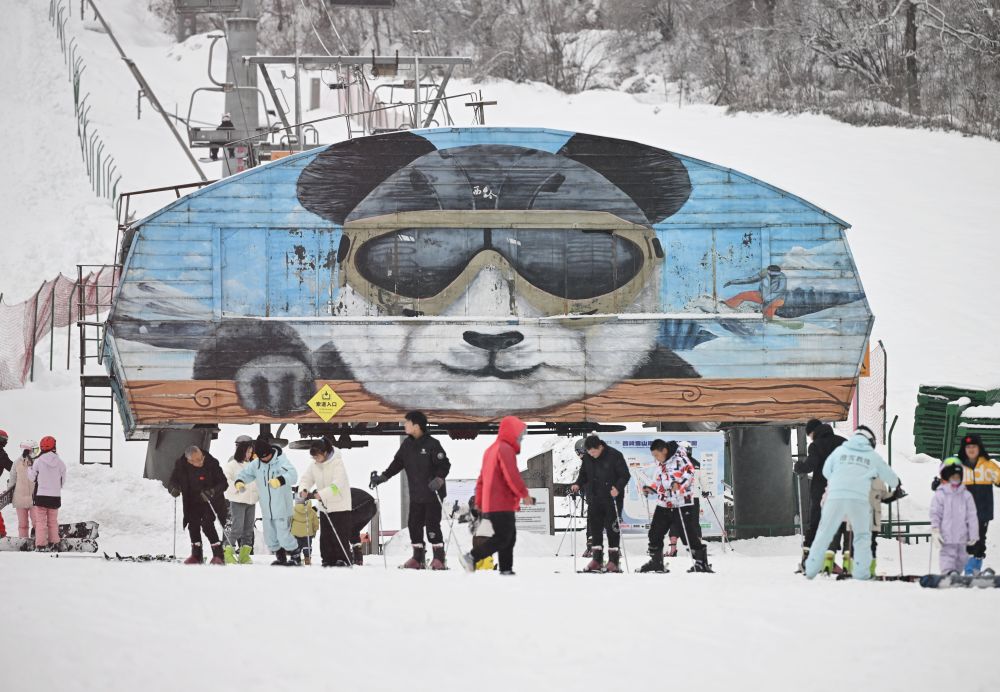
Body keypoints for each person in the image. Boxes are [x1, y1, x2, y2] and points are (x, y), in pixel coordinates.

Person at [804, 426, 900, 580]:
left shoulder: (839, 452)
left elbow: (826, 471)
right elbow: (890, 478)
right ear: (870, 441)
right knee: (861, 537)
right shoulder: (872, 456)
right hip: (858, 500)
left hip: (835, 498)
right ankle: (861, 572)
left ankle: (811, 569)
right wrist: (897, 484)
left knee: (824, 534)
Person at [370, 411, 451, 570]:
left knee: (432, 525)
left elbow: (445, 465)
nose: (404, 425)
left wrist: (439, 479)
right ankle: (418, 558)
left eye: (407, 422)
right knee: (414, 525)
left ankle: (439, 559)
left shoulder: (432, 444)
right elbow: (397, 463)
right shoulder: (407, 445)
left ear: (416, 426)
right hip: (416, 494)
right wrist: (383, 477)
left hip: (433, 493)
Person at [459, 416, 535, 574]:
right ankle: (472, 557)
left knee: (509, 537)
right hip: (502, 503)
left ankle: (506, 569)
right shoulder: (504, 449)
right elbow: (512, 475)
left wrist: (480, 502)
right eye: (520, 434)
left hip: (493, 504)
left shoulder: (491, 450)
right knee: (503, 537)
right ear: (512, 432)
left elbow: (481, 480)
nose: (521, 438)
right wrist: (524, 495)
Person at [639, 439, 713, 573]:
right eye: (653, 455)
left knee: (687, 534)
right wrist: (652, 488)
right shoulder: (661, 462)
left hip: (681, 502)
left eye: (656, 455)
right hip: (664, 503)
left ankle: (701, 562)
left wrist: (679, 484)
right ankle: (656, 561)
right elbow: (659, 480)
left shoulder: (680, 457)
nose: (655, 458)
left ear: (664, 450)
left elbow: (690, 472)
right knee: (654, 532)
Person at [236, 437, 300, 565]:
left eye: (266, 456)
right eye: (262, 457)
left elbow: (293, 475)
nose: (265, 459)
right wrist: (240, 481)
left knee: (283, 535)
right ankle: (280, 558)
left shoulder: (281, 461)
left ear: (270, 452)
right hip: (266, 508)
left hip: (282, 507)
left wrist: (281, 480)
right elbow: (246, 473)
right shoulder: (257, 464)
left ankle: (295, 557)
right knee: (270, 537)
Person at [571, 435, 630, 573]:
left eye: (593, 452)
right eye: (589, 452)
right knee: (595, 529)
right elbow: (583, 475)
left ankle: (614, 562)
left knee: (611, 529)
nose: (591, 455)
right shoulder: (587, 458)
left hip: (612, 498)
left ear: (600, 447)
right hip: (594, 498)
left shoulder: (615, 455)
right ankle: (597, 560)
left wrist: (618, 488)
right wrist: (577, 484)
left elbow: (625, 475)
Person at [794, 419, 847, 571]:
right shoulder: (843, 442)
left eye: (809, 435)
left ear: (812, 432)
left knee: (816, 524)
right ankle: (832, 561)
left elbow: (810, 465)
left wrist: (799, 467)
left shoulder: (816, 445)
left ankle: (808, 560)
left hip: (821, 492)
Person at [167, 445, 229, 565]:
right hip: (191, 500)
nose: (201, 461)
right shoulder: (181, 465)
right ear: (189, 461)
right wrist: (173, 488)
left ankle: (218, 555)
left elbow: (223, 483)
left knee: (207, 524)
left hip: (210, 499)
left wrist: (212, 492)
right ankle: (196, 555)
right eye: (198, 460)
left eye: (201, 457)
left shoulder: (211, 463)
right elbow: (173, 480)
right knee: (193, 524)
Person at [299, 438, 353, 567]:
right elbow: (306, 479)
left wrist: (322, 494)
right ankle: (327, 559)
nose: (315, 459)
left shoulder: (337, 463)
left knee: (339, 534)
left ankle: (343, 559)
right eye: (313, 457)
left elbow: (337, 485)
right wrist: (303, 489)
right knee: (325, 536)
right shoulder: (314, 465)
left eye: (317, 456)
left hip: (340, 506)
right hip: (324, 506)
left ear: (325, 452)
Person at [951, 434, 1000, 575]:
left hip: (982, 512)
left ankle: (973, 570)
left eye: (974, 446)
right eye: (968, 447)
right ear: (964, 449)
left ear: (979, 448)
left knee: (978, 541)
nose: (971, 450)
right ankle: (964, 569)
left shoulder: (988, 466)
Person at [930, 460, 979, 575]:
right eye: (952, 477)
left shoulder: (966, 495)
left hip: (962, 535)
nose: (955, 479)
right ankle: (948, 572)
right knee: (947, 555)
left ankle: (956, 573)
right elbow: (935, 513)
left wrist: (973, 534)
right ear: (947, 477)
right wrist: (935, 529)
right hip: (947, 535)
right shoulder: (940, 495)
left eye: (958, 477)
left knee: (962, 557)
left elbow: (972, 516)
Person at [26, 436, 66, 551]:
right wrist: (56, 488)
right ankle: (55, 544)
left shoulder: (38, 461)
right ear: (54, 446)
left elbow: (32, 478)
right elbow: (63, 481)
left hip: (41, 496)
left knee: (41, 522)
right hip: (55, 497)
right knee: (53, 521)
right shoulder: (60, 462)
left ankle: (41, 545)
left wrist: (29, 468)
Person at [222, 435, 257, 564]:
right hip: (238, 501)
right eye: (248, 452)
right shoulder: (232, 465)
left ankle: (244, 555)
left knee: (248, 530)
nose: (249, 454)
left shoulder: (253, 465)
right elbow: (225, 480)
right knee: (236, 528)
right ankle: (227, 553)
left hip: (251, 501)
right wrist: (237, 486)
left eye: (251, 452)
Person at [10, 441, 37, 539]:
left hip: (28, 499)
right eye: (35, 450)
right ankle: (30, 542)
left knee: (30, 524)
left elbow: (12, 480)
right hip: (28, 499)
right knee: (30, 523)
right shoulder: (18, 463)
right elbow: (12, 479)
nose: (36, 452)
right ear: (29, 450)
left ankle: (32, 541)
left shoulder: (35, 462)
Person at [349, 488, 378, 565]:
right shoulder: (343, 490)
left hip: (363, 506)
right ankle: (358, 558)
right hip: (372, 508)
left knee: (344, 527)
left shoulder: (336, 493)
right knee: (353, 531)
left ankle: (346, 555)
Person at [291, 494, 320, 565]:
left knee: (296, 546)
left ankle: (296, 559)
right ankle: (307, 558)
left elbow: (290, 521)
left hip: (295, 533)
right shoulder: (312, 511)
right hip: (308, 533)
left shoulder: (293, 510)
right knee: (307, 546)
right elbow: (316, 523)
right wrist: (314, 531)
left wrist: (289, 529)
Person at [0, 429, 11, 537]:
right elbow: (11, 467)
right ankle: (1, 533)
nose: (5, 441)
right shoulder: (1, 454)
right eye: (4, 439)